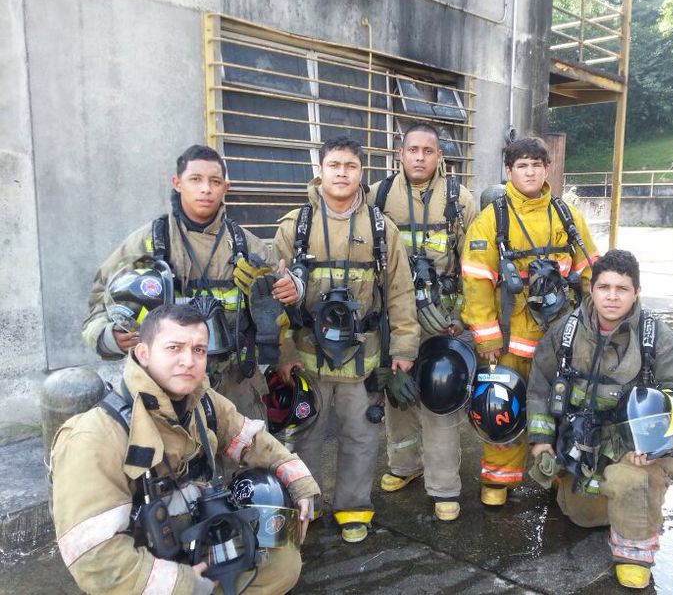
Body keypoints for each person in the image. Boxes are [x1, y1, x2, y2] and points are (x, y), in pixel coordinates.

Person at [51, 304, 321, 594]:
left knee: (283, 562)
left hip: (195, 539)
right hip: (147, 570)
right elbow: (98, 562)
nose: (188, 361)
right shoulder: (95, 436)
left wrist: (300, 484)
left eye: (198, 350)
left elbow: (253, 441)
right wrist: (184, 584)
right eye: (174, 348)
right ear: (143, 354)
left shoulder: (202, 402)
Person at [82, 145, 300, 421]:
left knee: (247, 460)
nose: (206, 189)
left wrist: (290, 291)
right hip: (166, 391)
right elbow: (98, 306)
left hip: (237, 388)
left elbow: (284, 308)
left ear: (226, 188)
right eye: (195, 179)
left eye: (215, 181)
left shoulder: (248, 246)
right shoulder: (146, 243)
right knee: (175, 462)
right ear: (177, 183)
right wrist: (110, 337)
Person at [527, 250, 673, 589]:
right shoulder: (565, 332)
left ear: (636, 292)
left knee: (632, 482)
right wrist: (542, 442)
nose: (611, 296)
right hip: (582, 448)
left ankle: (635, 549)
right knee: (581, 516)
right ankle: (590, 494)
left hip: (633, 454)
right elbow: (538, 388)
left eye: (622, 289)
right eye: (604, 287)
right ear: (591, 289)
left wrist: (655, 447)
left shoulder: (660, 340)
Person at [272, 136, 419, 543]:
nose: (341, 172)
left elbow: (401, 292)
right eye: (334, 164)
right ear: (319, 170)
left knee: (360, 433)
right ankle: (307, 503)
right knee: (307, 434)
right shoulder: (294, 226)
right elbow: (274, 299)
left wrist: (405, 348)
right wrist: (284, 353)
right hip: (306, 357)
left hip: (363, 358)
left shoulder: (380, 228)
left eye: (350, 166)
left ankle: (353, 506)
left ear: (361, 172)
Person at [460, 136, 598, 507]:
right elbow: (476, 280)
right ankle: (498, 480)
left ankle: (555, 471)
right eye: (522, 165)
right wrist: (486, 337)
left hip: (559, 340)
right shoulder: (493, 220)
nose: (530, 171)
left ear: (547, 169)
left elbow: (590, 272)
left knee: (561, 407)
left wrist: (597, 328)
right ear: (509, 171)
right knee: (502, 405)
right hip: (509, 341)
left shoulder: (567, 216)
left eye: (537, 165)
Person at [367, 123, 477, 522]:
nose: (419, 157)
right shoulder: (378, 196)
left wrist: (462, 318)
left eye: (427, 151)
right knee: (398, 393)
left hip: (440, 317)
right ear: (400, 153)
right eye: (412, 149)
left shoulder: (458, 199)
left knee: (440, 396)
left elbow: (473, 263)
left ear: (439, 156)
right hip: (394, 315)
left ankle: (444, 486)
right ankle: (403, 465)